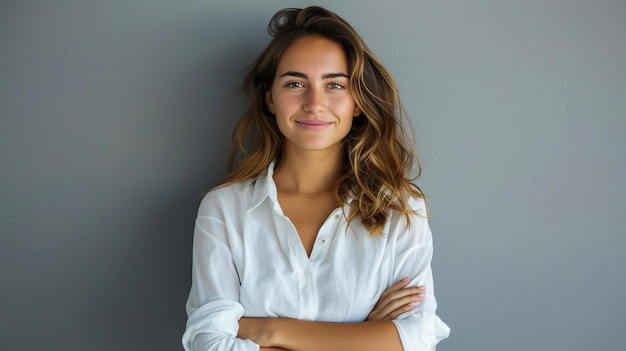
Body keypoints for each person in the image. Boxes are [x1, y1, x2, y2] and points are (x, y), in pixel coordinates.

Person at [182, 6, 450, 351]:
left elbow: (419, 337)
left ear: (357, 102)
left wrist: (268, 331)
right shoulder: (224, 210)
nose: (315, 103)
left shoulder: (401, 208)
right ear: (270, 99)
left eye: (335, 84)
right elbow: (209, 344)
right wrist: (366, 336)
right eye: (295, 83)